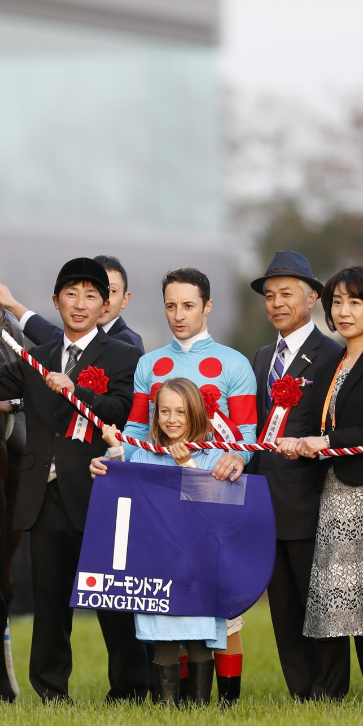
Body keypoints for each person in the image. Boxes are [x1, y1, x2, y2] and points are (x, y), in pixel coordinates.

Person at [0, 257, 147, 703]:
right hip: (46, 494)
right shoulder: (34, 357)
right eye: (70, 295)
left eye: (91, 296)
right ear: (55, 302)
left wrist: (79, 392)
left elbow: (121, 410)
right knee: (50, 601)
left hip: (102, 492)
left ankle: (131, 688)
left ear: (105, 303)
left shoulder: (125, 355)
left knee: (114, 600)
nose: (80, 304)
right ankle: (52, 692)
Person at [278, 267, 363, 704]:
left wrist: (326, 442)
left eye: (356, 301)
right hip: (334, 492)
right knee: (335, 598)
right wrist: (301, 444)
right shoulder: (331, 361)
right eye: (337, 302)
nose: (345, 310)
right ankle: (332, 694)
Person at [124, 267, 256, 702]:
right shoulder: (149, 363)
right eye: (170, 306)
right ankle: (178, 700)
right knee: (170, 597)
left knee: (217, 606)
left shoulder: (234, 363)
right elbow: (137, 434)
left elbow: (248, 435)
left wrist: (234, 458)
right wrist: (114, 458)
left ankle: (229, 700)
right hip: (162, 502)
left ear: (207, 307)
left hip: (211, 496)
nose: (178, 315)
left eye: (188, 306)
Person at [247, 251, 349, 701]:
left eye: (287, 293)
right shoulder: (261, 355)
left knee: (320, 602)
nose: (276, 303)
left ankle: (332, 689)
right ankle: (301, 691)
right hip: (265, 499)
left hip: (312, 498)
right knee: (283, 607)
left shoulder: (332, 355)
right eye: (270, 296)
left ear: (312, 296)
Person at [89, 378, 227, 704]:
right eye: (164, 411)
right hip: (158, 567)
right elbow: (126, 488)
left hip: (196, 569)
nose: (172, 419)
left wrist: (187, 465)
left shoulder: (212, 455)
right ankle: (166, 708)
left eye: (180, 411)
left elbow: (213, 508)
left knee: (197, 639)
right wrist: (114, 450)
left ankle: (199, 707)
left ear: (195, 413)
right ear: (155, 415)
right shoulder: (147, 456)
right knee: (163, 638)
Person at [0, 255, 145, 352]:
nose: (82, 304)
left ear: (125, 299)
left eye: (111, 291)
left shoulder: (128, 342)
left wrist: (13, 305)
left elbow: (64, 343)